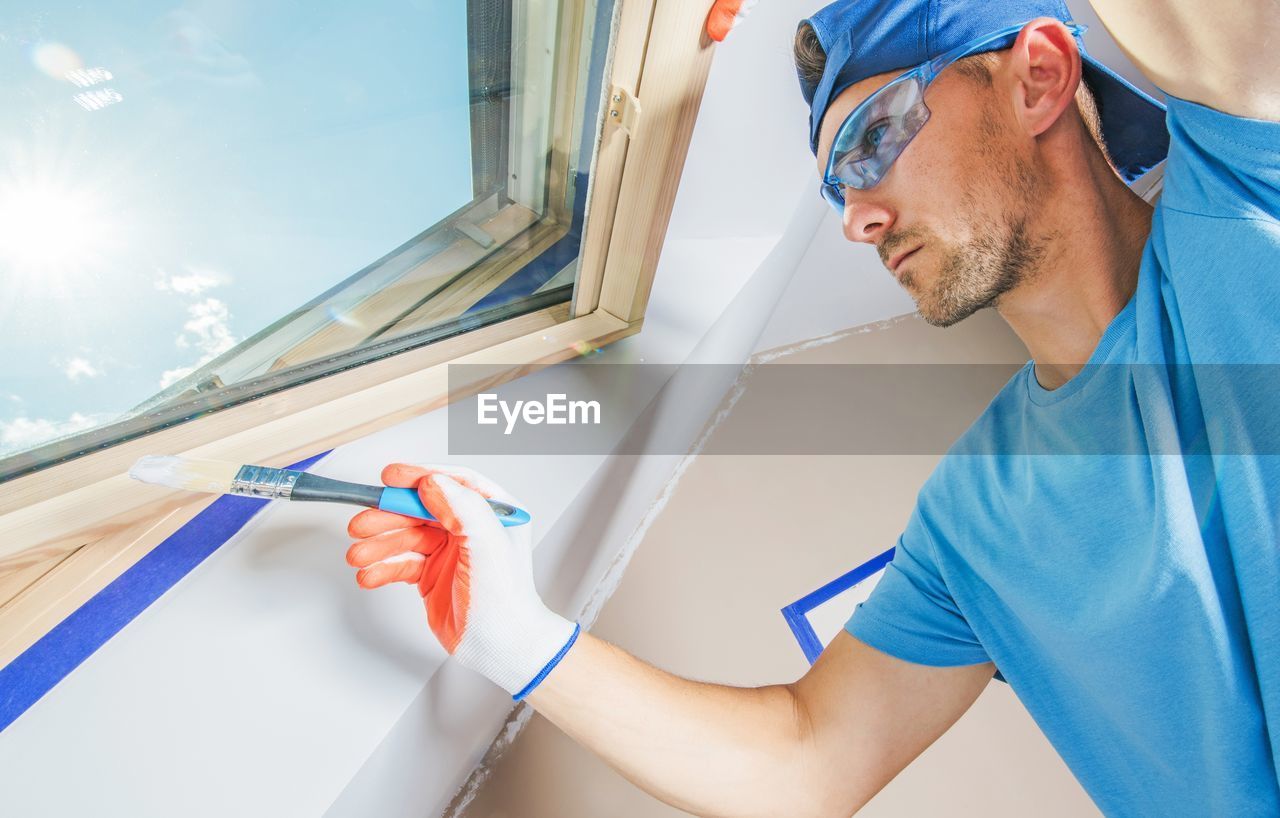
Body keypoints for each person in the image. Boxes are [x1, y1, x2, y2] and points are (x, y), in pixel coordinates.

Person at [344, 0, 1280, 814]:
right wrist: (515, 634)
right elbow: (805, 761)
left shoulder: (1249, 190)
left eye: (871, 138)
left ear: (1036, 77)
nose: (854, 218)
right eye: (836, 183)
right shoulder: (976, 518)